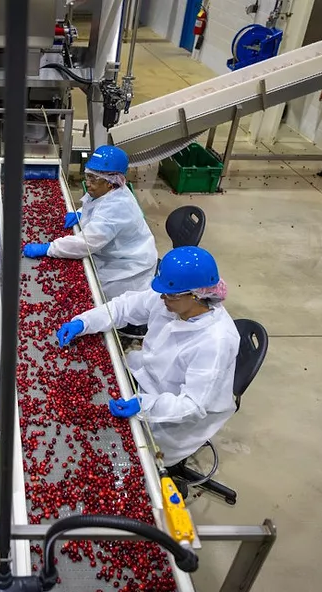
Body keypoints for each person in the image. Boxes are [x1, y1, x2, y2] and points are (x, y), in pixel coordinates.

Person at [53, 246, 239, 474]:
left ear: (196, 296)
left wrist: (145, 405)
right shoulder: (173, 298)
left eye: (170, 294)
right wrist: (84, 322)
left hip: (175, 419)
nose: (162, 298)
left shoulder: (216, 341)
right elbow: (123, 308)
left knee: (126, 459)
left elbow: (192, 404)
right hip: (146, 378)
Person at [21, 145, 157, 301]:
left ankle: (128, 326)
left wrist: (50, 248)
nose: (88, 183)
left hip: (126, 269)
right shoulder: (109, 191)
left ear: (110, 182)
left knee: (99, 301)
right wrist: (80, 213)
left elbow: (85, 244)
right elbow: (95, 205)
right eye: (88, 175)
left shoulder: (117, 209)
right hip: (113, 254)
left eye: (94, 178)